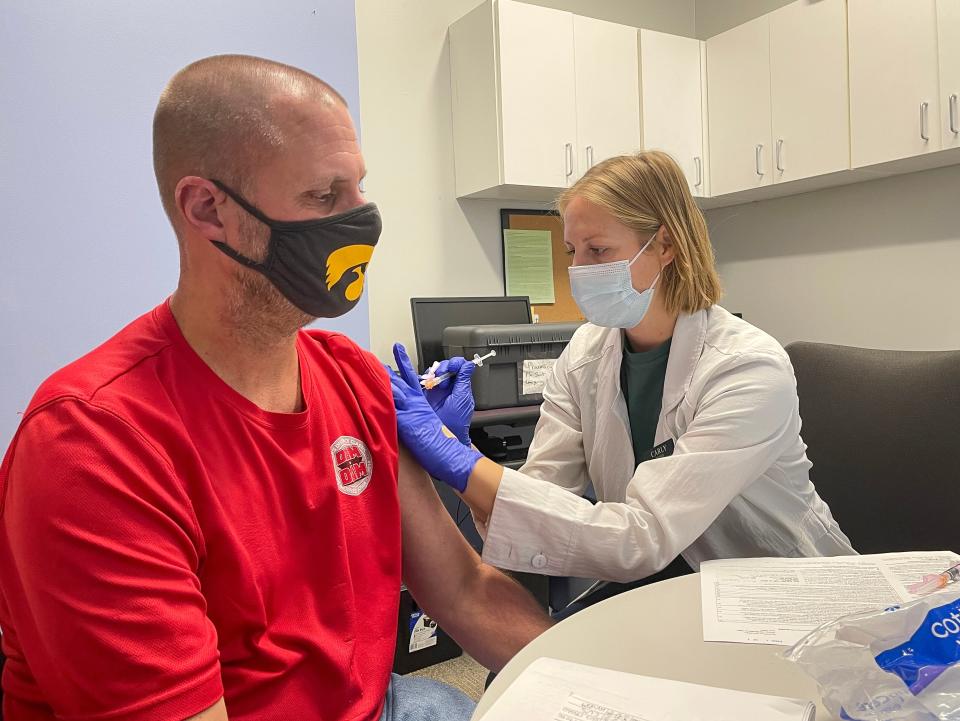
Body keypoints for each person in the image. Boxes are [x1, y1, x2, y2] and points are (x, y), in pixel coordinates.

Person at [0, 55, 551, 721]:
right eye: (324, 197)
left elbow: (464, 590)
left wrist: (598, 683)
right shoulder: (93, 442)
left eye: (359, 189)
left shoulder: (350, 377)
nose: (363, 219)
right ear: (208, 208)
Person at [390, 151, 855, 613]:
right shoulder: (584, 355)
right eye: (572, 251)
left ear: (666, 245)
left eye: (599, 250)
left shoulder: (746, 368)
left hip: (778, 591)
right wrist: (460, 450)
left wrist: (457, 460)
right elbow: (542, 500)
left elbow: (642, 535)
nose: (579, 270)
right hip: (669, 582)